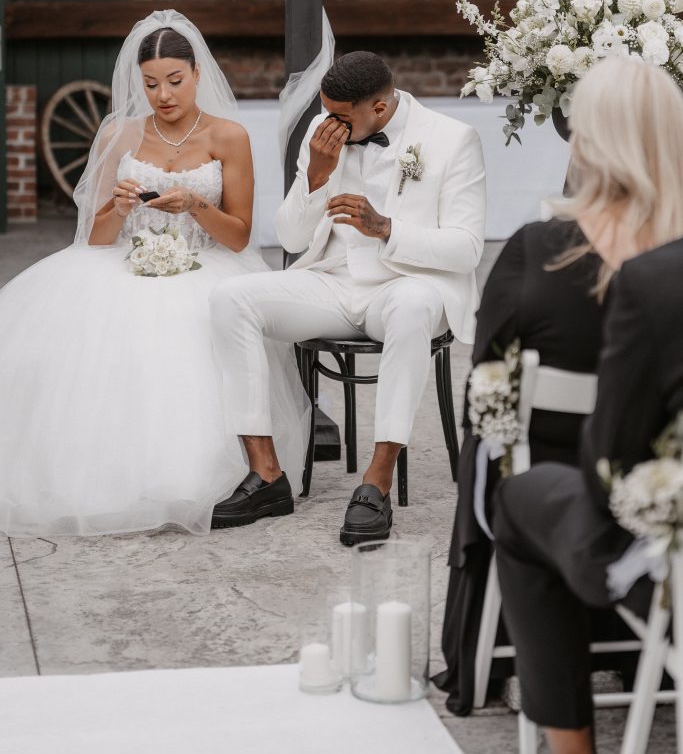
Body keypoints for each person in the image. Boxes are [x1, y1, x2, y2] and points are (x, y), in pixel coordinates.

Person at [0, 10, 309, 537]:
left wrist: (193, 204)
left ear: (196, 76)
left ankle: (219, 478)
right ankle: (106, 477)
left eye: (174, 81)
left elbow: (237, 234)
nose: (163, 95)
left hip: (205, 263)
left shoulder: (228, 136)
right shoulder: (117, 135)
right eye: (150, 84)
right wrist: (119, 209)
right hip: (122, 265)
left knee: (195, 344)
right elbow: (94, 238)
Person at [209, 50, 486, 544]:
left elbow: (466, 250)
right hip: (332, 283)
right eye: (324, 111)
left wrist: (385, 228)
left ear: (378, 110)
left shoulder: (451, 140)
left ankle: (375, 482)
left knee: (413, 306)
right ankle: (268, 475)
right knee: (231, 298)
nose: (327, 124)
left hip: (403, 284)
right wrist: (316, 175)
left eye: (340, 115)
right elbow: (293, 239)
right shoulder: (322, 137)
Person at [491, 57, 683, 754]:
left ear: (585, 139)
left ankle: (569, 745)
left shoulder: (646, 282)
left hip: (658, 561)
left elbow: (608, 462)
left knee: (519, 495)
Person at [436, 216, 606, 715]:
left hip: (584, 523)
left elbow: (484, 377)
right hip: (662, 538)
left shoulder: (539, 249)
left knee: (514, 487)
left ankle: (522, 662)